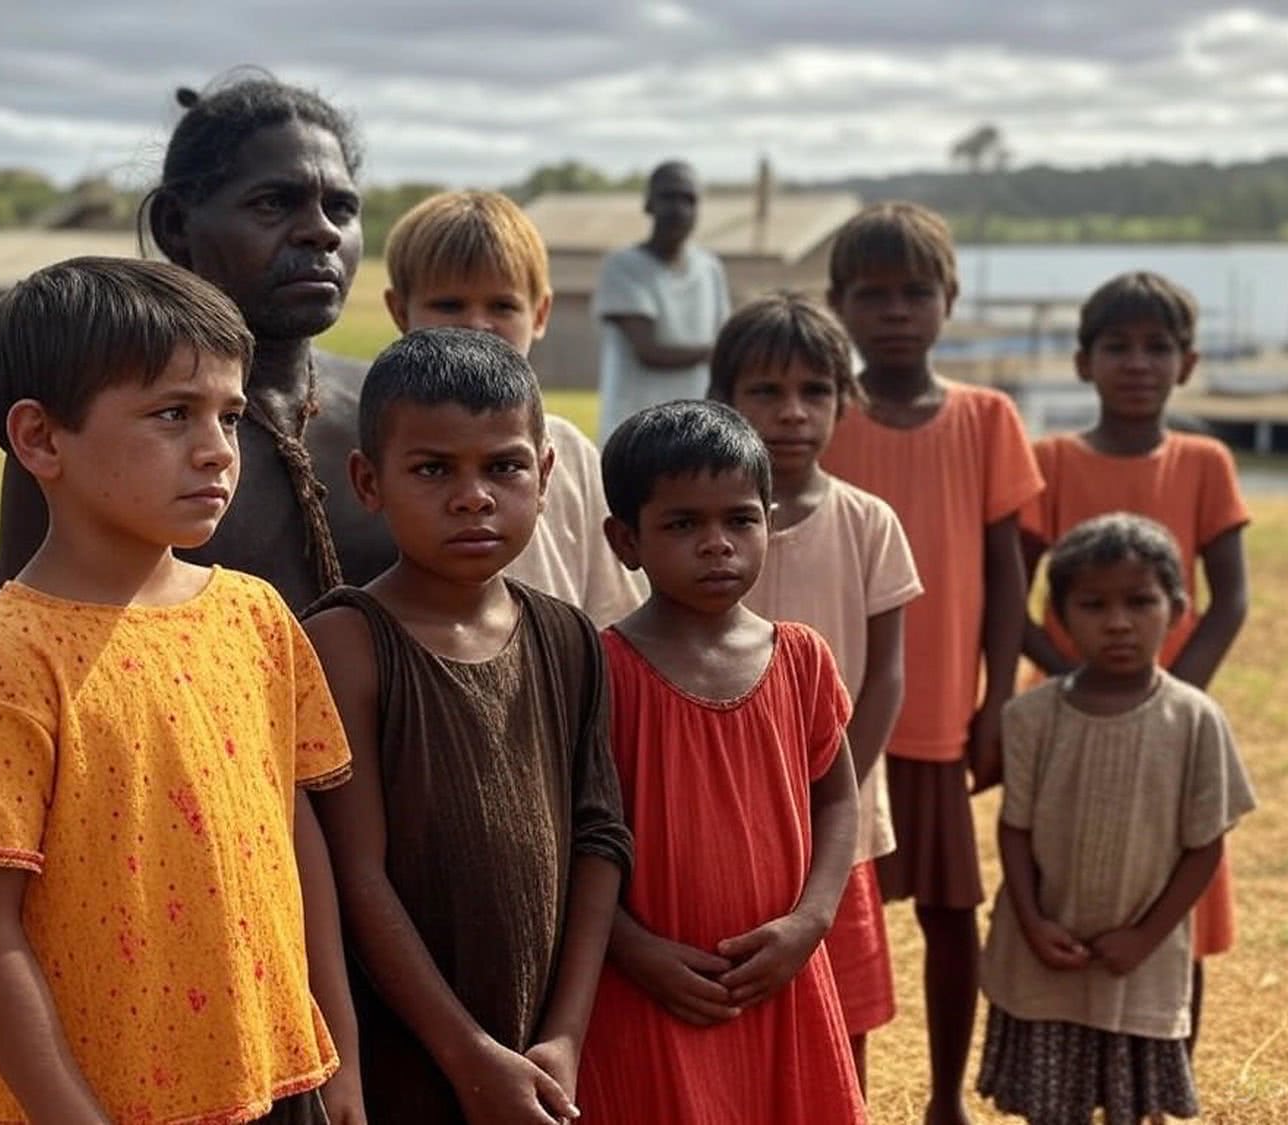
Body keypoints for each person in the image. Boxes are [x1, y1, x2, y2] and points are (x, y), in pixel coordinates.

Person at [0, 257, 365, 1125]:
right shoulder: (4, 664)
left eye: (230, 414)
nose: (218, 447)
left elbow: (298, 841)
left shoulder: (256, 619)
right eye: (172, 413)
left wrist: (339, 1064)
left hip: (280, 1082)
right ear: (40, 439)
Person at [302, 328, 632, 1124]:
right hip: (406, 1052)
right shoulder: (346, 642)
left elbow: (600, 837)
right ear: (367, 481)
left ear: (546, 475)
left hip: (541, 1059)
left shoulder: (570, 638)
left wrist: (564, 1036)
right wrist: (467, 1055)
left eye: (504, 466)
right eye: (432, 469)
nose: (473, 495)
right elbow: (357, 876)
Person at [0, 75, 396, 607]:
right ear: (175, 224)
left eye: (341, 208)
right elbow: (31, 637)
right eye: (274, 204)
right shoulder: (95, 435)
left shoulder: (391, 409)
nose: (322, 232)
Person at [576, 400, 867, 1124]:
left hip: (782, 976)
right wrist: (633, 947)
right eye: (683, 524)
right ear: (625, 539)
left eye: (740, 519)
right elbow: (567, 838)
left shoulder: (801, 658)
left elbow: (837, 798)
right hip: (651, 986)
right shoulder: (599, 670)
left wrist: (812, 921)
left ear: (768, 520)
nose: (717, 544)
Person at [820, 201, 1043, 1125]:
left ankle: (947, 1098)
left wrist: (998, 698)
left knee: (951, 918)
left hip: (943, 711)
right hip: (837, 721)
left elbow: (1007, 571)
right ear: (839, 304)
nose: (896, 311)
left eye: (917, 291)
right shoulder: (820, 413)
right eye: (873, 294)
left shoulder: (988, 418)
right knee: (837, 927)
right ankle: (841, 1096)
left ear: (950, 299)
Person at [1019, 271, 1251, 1053]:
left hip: (1169, 709)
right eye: (1117, 345)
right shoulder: (1046, 458)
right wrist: (1069, 681)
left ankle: (1165, 1080)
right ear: (1084, 361)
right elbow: (1011, 598)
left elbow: (1230, 599)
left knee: (1176, 893)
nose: (1138, 362)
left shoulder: (1205, 461)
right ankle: (1062, 1071)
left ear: (1187, 364)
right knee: (1064, 882)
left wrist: (1171, 698)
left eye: (1159, 347)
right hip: (1067, 714)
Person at [978, 513, 1256, 1125]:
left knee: (1135, 1109)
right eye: (1094, 604)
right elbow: (1015, 829)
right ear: (1060, 614)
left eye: (1140, 601)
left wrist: (1144, 937)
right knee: (1051, 1108)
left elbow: (1206, 846)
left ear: (1179, 608)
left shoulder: (1194, 720)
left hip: (1139, 958)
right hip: (1045, 952)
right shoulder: (1031, 717)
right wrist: (1032, 922)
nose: (1119, 622)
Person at [712, 293, 922, 1095]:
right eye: (766, 391)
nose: (792, 413)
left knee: (841, 1022)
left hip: (840, 828)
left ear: (845, 398)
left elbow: (888, 677)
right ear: (724, 394)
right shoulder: (710, 522)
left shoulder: (870, 523)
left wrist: (824, 789)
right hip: (726, 817)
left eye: (815, 391)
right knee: (733, 1005)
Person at [381, 189, 645, 625]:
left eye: (502, 306)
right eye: (449, 304)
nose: (476, 325)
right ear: (399, 311)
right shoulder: (384, 445)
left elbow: (613, 615)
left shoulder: (571, 455)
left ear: (540, 313)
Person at [594, 160, 731, 438]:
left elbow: (723, 344)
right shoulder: (622, 266)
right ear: (648, 204)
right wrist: (717, 354)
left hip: (698, 431)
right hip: (634, 431)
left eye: (689, 200)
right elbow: (649, 351)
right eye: (669, 197)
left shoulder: (710, 269)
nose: (679, 209)